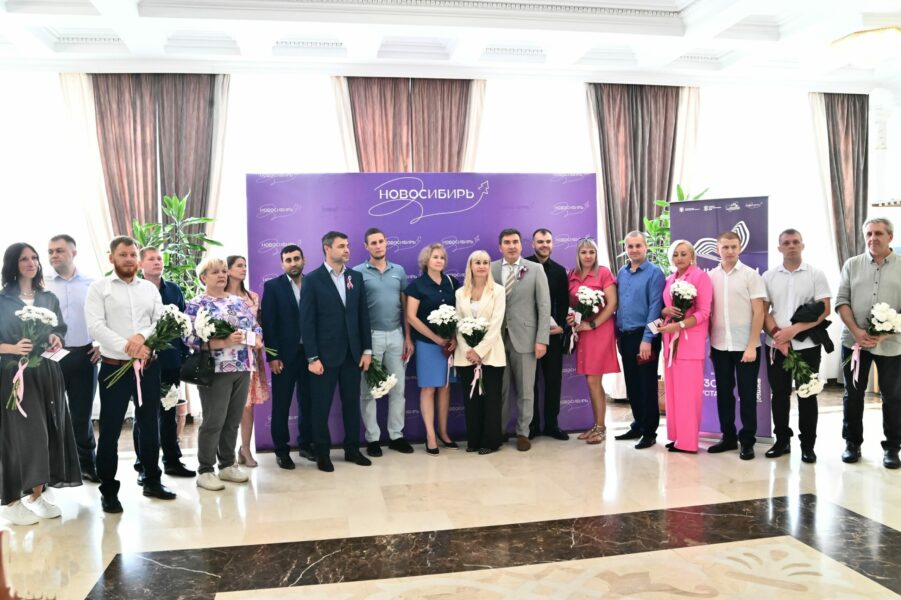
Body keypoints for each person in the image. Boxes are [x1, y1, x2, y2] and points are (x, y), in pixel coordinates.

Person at [86, 236, 176, 513]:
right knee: (110, 430)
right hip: (114, 367)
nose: (128, 259)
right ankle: (108, 491)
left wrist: (141, 338)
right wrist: (129, 346)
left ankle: (152, 481)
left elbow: (160, 320)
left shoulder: (149, 289)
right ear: (111, 258)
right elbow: (96, 327)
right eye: (123, 254)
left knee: (149, 425)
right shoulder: (99, 288)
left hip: (148, 367)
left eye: (132, 255)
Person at [0, 243, 81, 526]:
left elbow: (57, 329)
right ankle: (10, 501)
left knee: (47, 432)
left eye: (34, 258)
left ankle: (36, 496)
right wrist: (10, 348)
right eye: (24, 259)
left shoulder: (48, 298)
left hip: (46, 371)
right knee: (19, 436)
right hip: (14, 375)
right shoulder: (2, 300)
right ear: (12, 264)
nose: (31, 263)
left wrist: (56, 338)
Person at [184, 257, 262, 491]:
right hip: (214, 370)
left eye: (224, 271)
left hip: (243, 366)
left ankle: (227, 465)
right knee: (214, 421)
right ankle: (205, 470)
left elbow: (255, 327)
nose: (221, 275)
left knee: (232, 420)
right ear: (203, 278)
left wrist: (257, 338)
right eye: (215, 272)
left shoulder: (238, 302)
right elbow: (189, 337)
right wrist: (223, 342)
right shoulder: (197, 303)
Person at [300, 231, 373, 473]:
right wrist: (312, 357)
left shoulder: (355, 277)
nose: (347, 249)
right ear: (327, 249)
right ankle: (322, 453)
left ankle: (352, 449)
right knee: (320, 407)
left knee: (351, 404)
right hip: (323, 357)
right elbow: (307, 322)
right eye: (341, 246)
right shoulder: (312, 280)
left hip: (353, 355)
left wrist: (367, 350)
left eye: (347, 245)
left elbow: (363, 316)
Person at [836, 217, 901, 469]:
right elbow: (842, 301)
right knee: (852, 395)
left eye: (878, 233)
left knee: (893, 397)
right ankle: (852, 443)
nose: (873, 238)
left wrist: (884, 334)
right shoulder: (852, 265)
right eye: (869, 234)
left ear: (890, 237)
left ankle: (892, 448)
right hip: (854, 343)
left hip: (892, 345)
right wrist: (856, 331)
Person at [762, 229, 831, 464]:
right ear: (779, 248)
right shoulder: (769, 276)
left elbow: (824, 309)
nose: (791, 246)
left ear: (802, 245)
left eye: (795, 242)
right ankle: (782, 441)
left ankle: (808, 446)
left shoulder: (815, 274)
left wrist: (793, 331)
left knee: (807, 395)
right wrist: (778, 336)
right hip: (776, 346)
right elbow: (763, 312)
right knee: (779, 395)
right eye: (786, 243)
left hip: (808, 345)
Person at [133, 247, 195, 482]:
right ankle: (143, 464)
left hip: (170, 361)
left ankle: (172, 460)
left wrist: (183, 355)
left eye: (159, 258)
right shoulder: (135, 290)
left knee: (169, 411)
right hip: (143, 362)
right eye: (151, 259)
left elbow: (182, 324)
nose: (157, 262)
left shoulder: (173, 289)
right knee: (144, 414)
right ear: (141, 264)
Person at [353, 228, 415, 457]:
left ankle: (396, 436)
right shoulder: (357, 272)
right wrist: (362, 344)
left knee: (398, 389)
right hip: (371, 338)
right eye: (373, 243)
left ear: (386, 243)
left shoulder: (399, 271)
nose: (378, 246)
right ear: (366, 246)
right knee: (369, 391)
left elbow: (405, 306)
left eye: (381, 241)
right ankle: (373, 439)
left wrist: (408, 337)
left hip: (397, 335)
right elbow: (355, 311)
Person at [707, 231, 767, 460]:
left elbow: (759, 312)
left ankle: (748, 441)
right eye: (725, 247)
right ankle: (728, 437)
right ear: (718, 249)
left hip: (746, 347)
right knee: (724, 394)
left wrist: (752, 345)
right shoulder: (711, 276)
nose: (730, 251)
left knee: (747, 395)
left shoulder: (751, 276)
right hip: (720, 346)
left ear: (739, 248)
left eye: (733, 247)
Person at [46, 234, 101, 482]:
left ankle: (87, 465)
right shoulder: (42, 285)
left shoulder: (92, 284)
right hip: (50, 358)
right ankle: (49, 470)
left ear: (74, 253)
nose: (54, 255)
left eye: (59, 250)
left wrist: (101, 345)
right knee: (50, 415)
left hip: (84, 356)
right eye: (50, 252)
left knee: (81, 415)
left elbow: (104, 317)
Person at [491, 229, 550, 452]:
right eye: (507, 242)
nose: (512, 246)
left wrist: (542, 339)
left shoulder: (535, 269)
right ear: (500, 247)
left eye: (515, 242)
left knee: (526, 391)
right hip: (496, 340)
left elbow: (544, 306)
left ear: (521, 245)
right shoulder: (490, 268)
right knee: (501, 389)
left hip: (526, 339)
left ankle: (523, 432)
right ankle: (499, 431)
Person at [657, 240, 713, 453]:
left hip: (690, 343)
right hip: (670, 343)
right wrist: (665, 312)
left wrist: (680, 325)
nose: (679, 258)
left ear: (692, 256)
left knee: (688, 394)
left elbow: (704, 312)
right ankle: (678, 436)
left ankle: (688, 442)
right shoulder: (669, 279)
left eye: (683, 254)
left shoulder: (700, 277)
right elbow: (665, 308)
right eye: (675, 254)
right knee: (673, 393)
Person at [261, 245, 313, 470]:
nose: (293, 263)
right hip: (283, 357)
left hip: (311, 355)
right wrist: (272, 356)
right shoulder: (273, 287)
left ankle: (306, 445)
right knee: (281, 405)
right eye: (288, 260)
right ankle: (281, 451)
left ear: (303, 260)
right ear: (282, 264)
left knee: (309, 402)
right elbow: (269, 324)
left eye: (296, 258)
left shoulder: (313, 284)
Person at [405, 243, 460, 455]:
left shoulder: (452, 283)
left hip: (449, 345)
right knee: (429, 388)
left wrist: (453, 337)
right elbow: (411, 317)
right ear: (426, 260)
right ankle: (430, 435)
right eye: (435, 257)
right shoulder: (417, 286)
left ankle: (444, 432)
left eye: (442, 257)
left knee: (445, 387)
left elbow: (459, 312)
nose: (439, 260)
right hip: (427, 345)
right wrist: (436, 338)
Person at [614, 231, 665, 449]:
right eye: (630, 246)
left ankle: (649, 431)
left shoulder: (655, 273)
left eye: (638, 245)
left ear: (646, 247)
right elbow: (619, 306)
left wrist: (647, 339)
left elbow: (656, 309)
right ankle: (638, 424)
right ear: (626, 248)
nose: (634, 250)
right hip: (625, 337)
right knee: (632, 384)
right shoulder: (622, 272)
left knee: (646, 385)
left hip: (645, 338)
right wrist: (617, 334)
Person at [566, 237, 619, 445]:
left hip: (599, 330)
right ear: (578, 255)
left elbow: (612, 304)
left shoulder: (603, 273)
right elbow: (571, 305)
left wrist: (593, 324)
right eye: (584, 252)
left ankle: (601, 428)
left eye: (592, 252)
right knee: (591, 379)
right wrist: (572, 318)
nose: (588, 256)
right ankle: (596, 425)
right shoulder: (572, 275)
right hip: (582, 332)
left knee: (593, 380)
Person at [454, 250, 506, 454]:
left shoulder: (498, 291)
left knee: (491, 399)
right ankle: (474, 440)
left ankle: (490, 442)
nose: (482, 266)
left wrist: (480, 351)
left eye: (485, 262)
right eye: (478, 262)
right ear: (471, 266)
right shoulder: (460, 293)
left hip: (491, 354)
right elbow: (458, 324)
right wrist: (469, 351)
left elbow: (496, 324)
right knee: (472, 400)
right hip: (466, 356)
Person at [524, 228, 570, 441]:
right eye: (540, 241)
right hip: (527, 335)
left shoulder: (559, 271)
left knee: (553, 381)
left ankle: (552, 425)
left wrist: (561, 326)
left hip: (552, 335)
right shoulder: (523, 266)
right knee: (529, 383)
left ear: (552, 244)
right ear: (532, 244)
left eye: (548, 241)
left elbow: (563, 302)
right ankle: (532, 426)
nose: (544, 245)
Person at [226, 255, 271, 467]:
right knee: (226, 407)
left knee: (247, 406)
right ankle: (226, 453)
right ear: (227, 270)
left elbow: (259, 325)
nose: (244, 269)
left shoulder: (253, 297)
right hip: (226, 357)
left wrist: (258, 338)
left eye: (245, 265)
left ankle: (245, 449)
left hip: (250, 358)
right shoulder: (220, 297)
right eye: (239, 266)